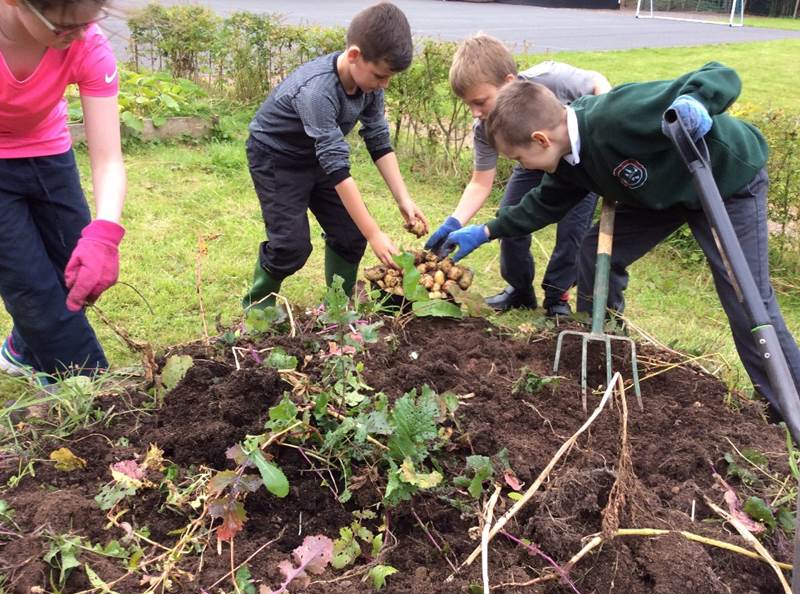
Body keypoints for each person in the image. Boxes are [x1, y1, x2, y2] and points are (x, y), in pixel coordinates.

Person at [438, 62, 800, 414]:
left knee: (745, 295)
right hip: (661, 196)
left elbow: (721, 74)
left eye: (519, 157)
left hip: (723, 181)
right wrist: (486, 231)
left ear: (540, 139)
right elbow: (542, 205)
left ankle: (788, 401)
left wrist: (694, 102)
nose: (524, 167)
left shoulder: (617, 115)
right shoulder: (566, 162)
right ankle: (603, 354)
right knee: (596, 256)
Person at [243, 1, 428, 309]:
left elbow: (379, 140)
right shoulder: (317, 91)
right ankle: (257, 308)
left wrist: (403, 200)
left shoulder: (369, 87)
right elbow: (337, 167)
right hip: (277, 159)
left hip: (318, 156)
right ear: (354, 55)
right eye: (381, 75)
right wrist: (375, 234)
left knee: (350, 235)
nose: (384, 84)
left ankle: (337, 308)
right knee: (291, 247)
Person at [425, 34, 609, 315]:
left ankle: (557, 297)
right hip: (531, 161)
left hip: (577, 163)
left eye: (480, 101)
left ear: (509, 83)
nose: (475, 113)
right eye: (468, 105)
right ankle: (519, 291)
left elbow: (598, 82)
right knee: (508, 217)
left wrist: (603, 137)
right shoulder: (484, 127)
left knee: (573, 230)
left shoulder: (551, 78)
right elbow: (480, 181)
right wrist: (454, 222)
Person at [0, 0, 126, 384]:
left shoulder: (86, 43)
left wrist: (105, 235)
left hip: (48, 153)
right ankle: (89, 391)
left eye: (86, 23)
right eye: (62, 28)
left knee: (77, 272)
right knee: (31, 286)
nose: (78, 35)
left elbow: (108, 159)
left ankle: (22, 349)